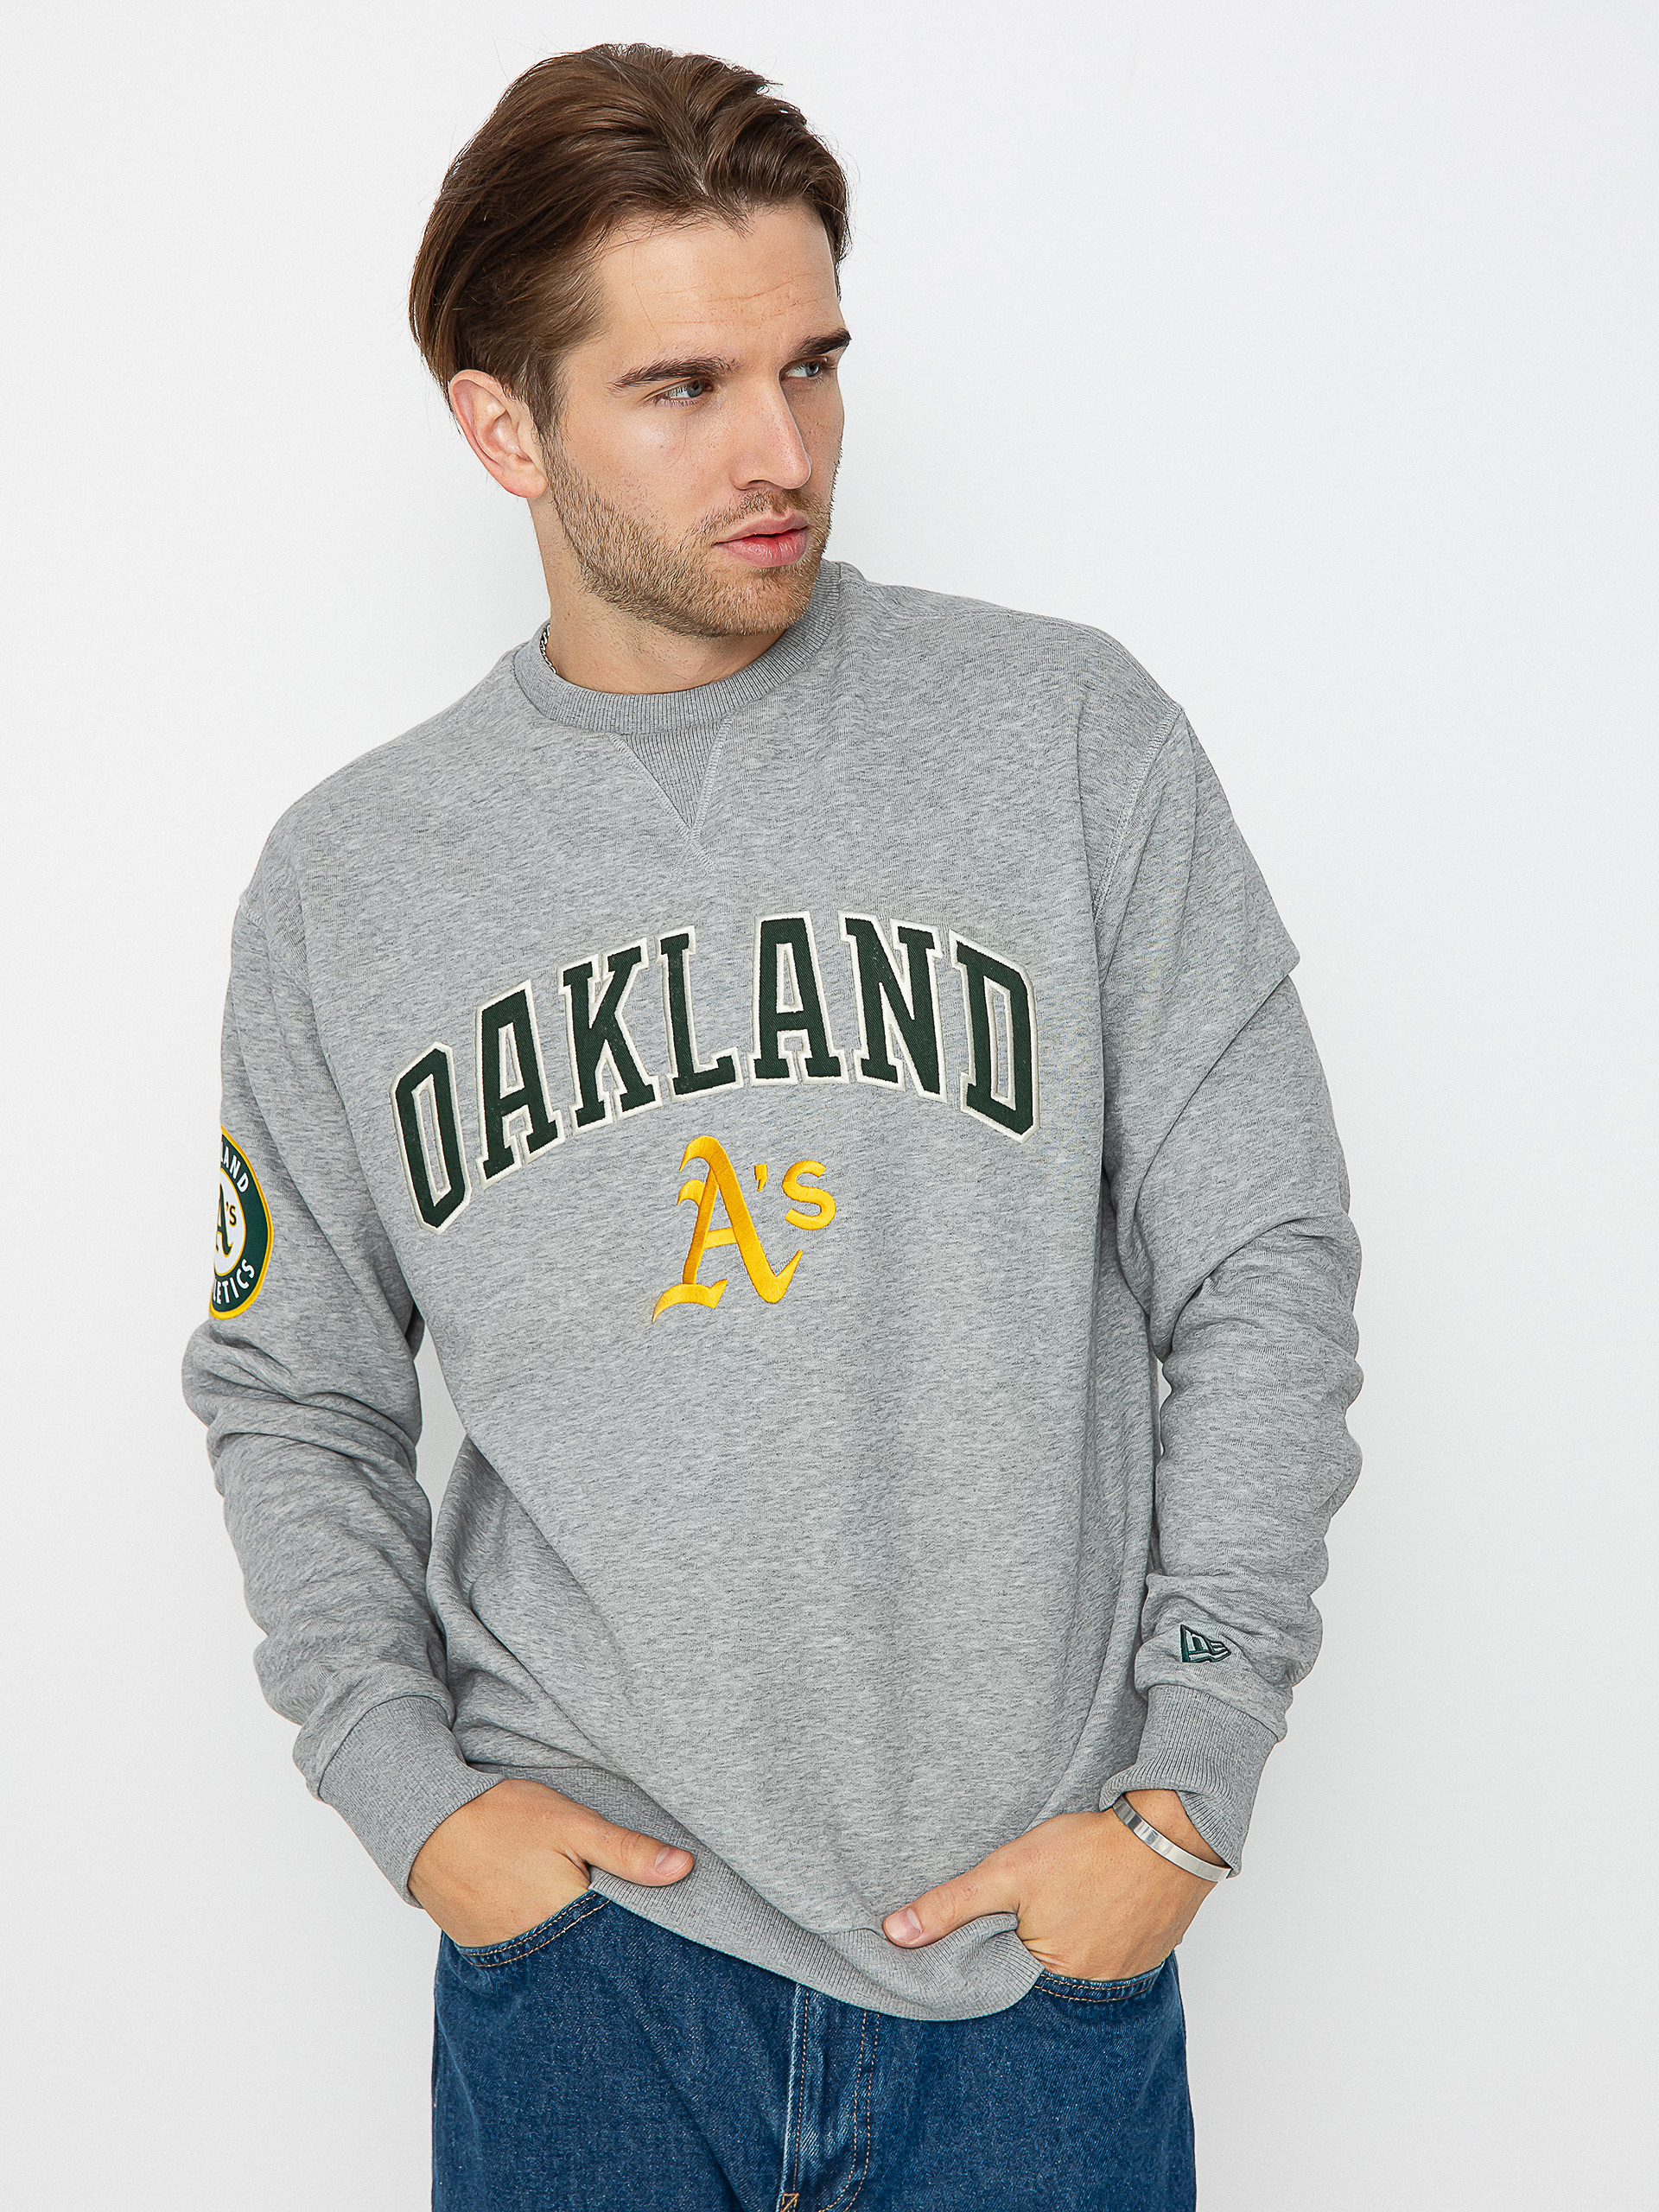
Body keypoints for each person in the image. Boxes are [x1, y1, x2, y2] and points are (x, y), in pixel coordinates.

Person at [183, 42, 1362, 2211]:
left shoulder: (1068, 739)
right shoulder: (353, 882)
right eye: (684, 387)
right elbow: (293, 1385)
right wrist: (410, 1794)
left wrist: (1185, 1786)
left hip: (1031, 1963)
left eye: (814, 365)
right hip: (592, 1977)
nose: (782, 452)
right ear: (504, 426)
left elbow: (1262, 1262)